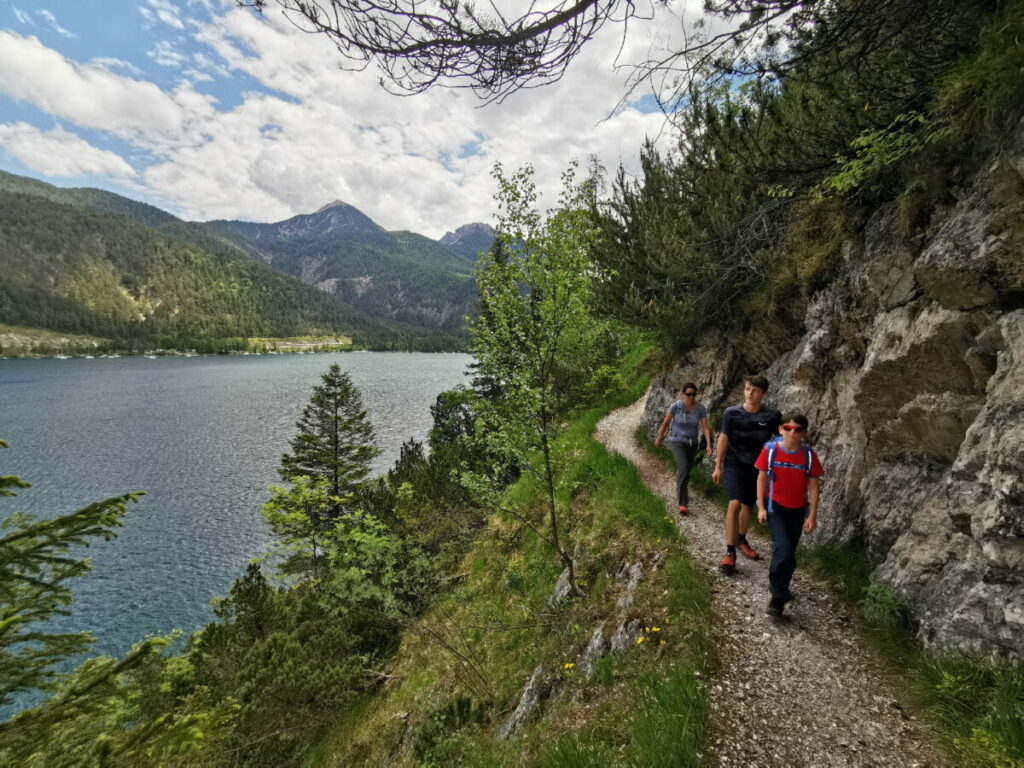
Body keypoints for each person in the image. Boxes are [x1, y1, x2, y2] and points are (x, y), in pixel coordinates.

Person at [755, 412, 825, 617]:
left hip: (797, 510)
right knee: (783, 548)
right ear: (780, 429)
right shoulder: (770, 451)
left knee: (789, 554)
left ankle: (782, 588)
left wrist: (811, 516)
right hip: (775, 508)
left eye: (798, 430)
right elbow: (761, 478)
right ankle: (777, 596)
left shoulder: (809, 456)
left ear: (804, 433)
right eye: (788, 428)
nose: (792, 433)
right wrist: (760, 507)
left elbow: (813, 487)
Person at [712, 375, 781, 573]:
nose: (750, 393)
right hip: (734, 463)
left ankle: (742, 538)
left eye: (755, 391)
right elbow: (723, 438)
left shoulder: (772, 415)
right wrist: (718, 466)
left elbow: (780, 439)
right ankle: (730, 552)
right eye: (747, 389)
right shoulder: (731, 413)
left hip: (758, 468)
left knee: (748, 506)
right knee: (734, 503)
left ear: (764, 394)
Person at [654, 383, 713, 516]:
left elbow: (705, 427)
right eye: (688, 394)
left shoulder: (700, 409)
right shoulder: (676, 407)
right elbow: (666, 423)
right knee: (684, 468)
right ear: (683, 394)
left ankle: (681, 485)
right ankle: (683, 503)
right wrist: (659, 438)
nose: (691, 397)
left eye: (693, 394)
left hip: (692, 443)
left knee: (685, 471)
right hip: (677, 441)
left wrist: (709, 444)